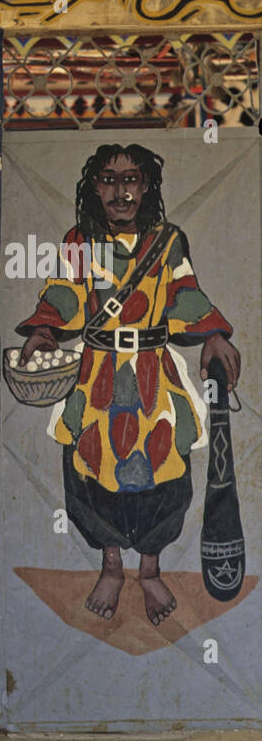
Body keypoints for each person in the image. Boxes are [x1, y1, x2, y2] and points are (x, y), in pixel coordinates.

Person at [16, 144, 241, 626]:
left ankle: (151, 569)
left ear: (145, 186)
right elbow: (63, 293)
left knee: (166, 467)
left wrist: (214, 336)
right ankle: (112, 567)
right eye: (110, 179)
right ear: (95, 187)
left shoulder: (167, 240)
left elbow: (185, 294)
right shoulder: (81, 241)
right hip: (96, 370)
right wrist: (44, 328)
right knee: (90, 464)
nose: (121, 191)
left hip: (152, 375)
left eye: (132, 179)